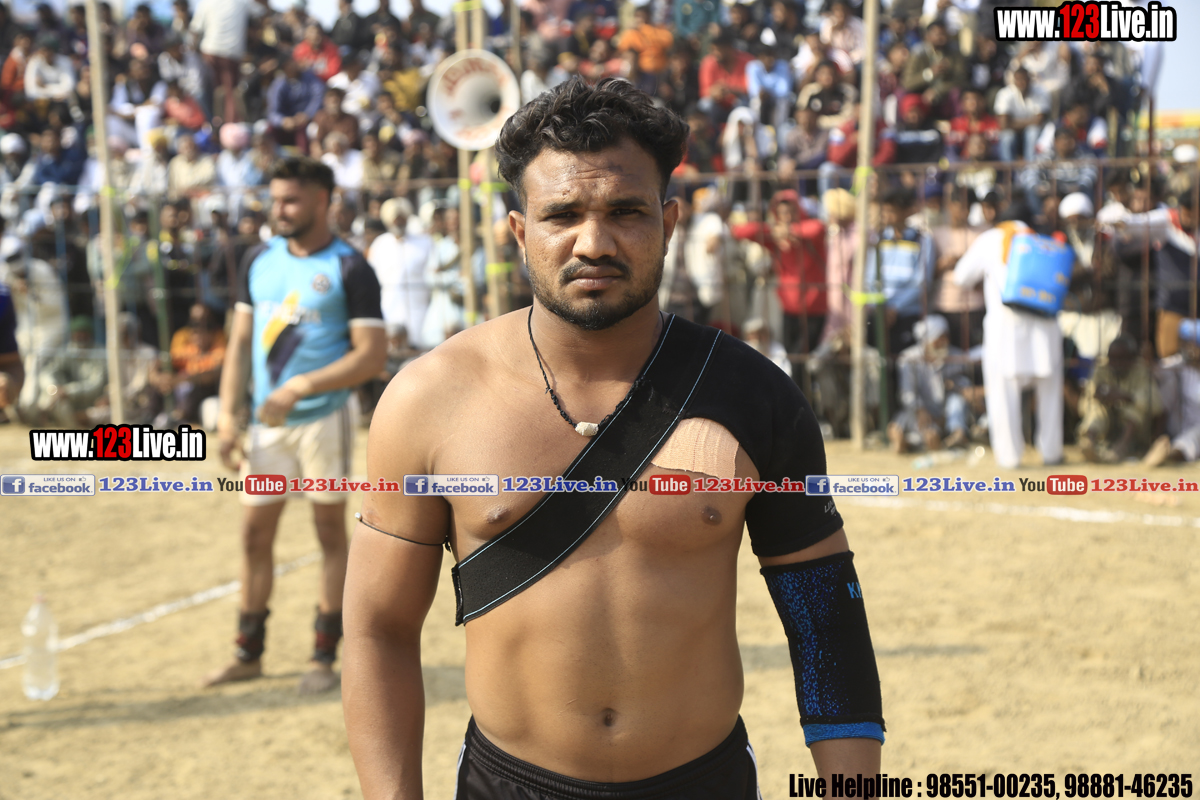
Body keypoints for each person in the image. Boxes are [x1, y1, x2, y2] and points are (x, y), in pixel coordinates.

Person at [343, 77, 882, 799]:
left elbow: (827, 626)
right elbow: (377, 628)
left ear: (669, 221)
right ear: (519, 231)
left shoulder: (755, 395)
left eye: (626, 212)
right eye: (562, 214)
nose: (593, 243)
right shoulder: (428, 400)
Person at [203, 156, 386, 693]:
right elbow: (239, 344)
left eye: (290, 200)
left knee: (329, 533)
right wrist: (229, 419)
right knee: (254, 535)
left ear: (323, 201)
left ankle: (323, 657)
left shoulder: (351, 267)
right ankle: (247, 654)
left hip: (324, 420)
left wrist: (301, 386)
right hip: (267, 428)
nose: (278, 210)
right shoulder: (259, 259)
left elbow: (371, 356)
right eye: (274, 199)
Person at [953, 204, 1064, 469]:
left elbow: (961, 277)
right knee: (1050, 393)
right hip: (1045, 328)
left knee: (1003, 394)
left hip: (1005, 329)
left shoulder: (991, 238)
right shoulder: (1043, 240)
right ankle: (1052, 453)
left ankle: (1010, 457)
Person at [1077, 335, 1162, 464]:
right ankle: (1089, 442)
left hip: (1135, 431)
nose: (1117, 364)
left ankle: (1121, 447)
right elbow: (1089, 395)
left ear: (1132, 358)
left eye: (1122, 359)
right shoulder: (1102, 368)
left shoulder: (1141, 370)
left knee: (1136, 409)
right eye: (1113, 359)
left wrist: (1125, 396)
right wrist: (1102, 395)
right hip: (1107, 425)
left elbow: (1154, 403)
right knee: (1096, 407)